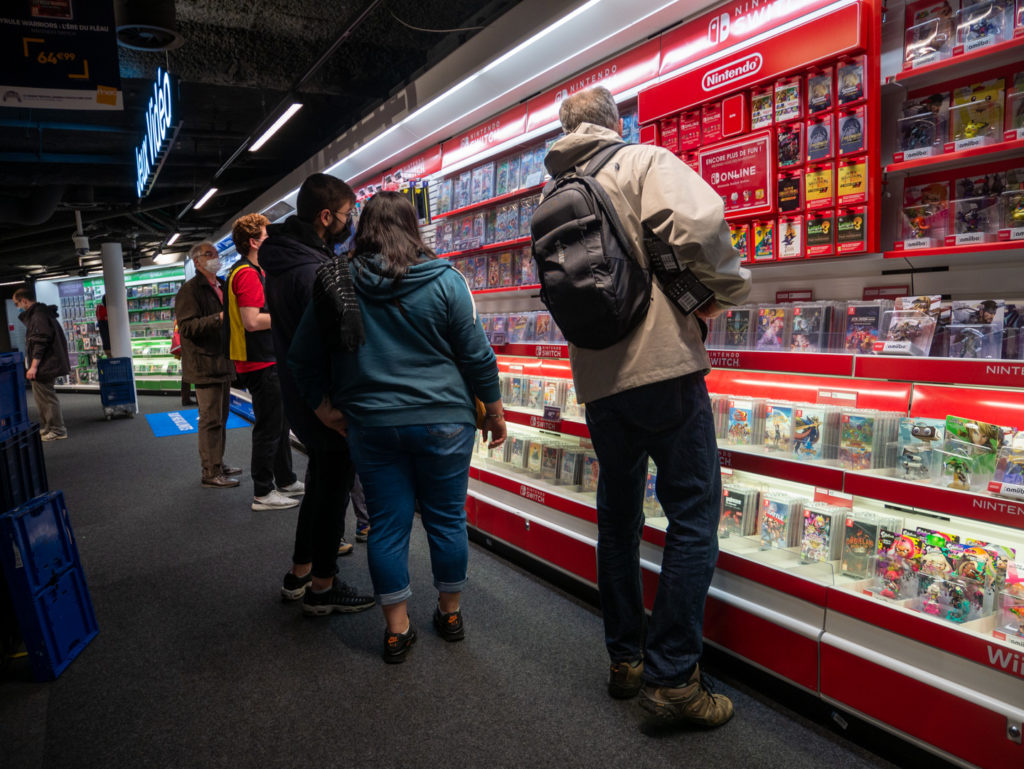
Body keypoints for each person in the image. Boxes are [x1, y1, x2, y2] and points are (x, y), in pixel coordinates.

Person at [544, 87, 751, 727]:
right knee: (692, 514)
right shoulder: (640, 161)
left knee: (618, 516)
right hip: (662, 366)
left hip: (598, 381)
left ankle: (626, 662)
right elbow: (698, 225)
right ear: (614, 123)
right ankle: (674, 680)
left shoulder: (549, 197)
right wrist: (729, 290)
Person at [289, 191, 505, 663]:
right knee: (447, 521)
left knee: (387, 526)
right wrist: (493, 408)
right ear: (414, 228)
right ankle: (450, 615)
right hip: (445, 421)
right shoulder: (447, 279)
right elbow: (476, 354)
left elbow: (302, 357)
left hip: (371, 423)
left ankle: (396, 630)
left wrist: (323, 409)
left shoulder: (338, 282)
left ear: (363, 229)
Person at [259, 173, 374, 615]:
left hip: (305, 398)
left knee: (320, 489)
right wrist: (331, 403)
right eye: (347, 215)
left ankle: (300, 573)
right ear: (326, 217)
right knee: (331, 495)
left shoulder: (289, 259)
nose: (350, 223)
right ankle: (324, 588)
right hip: (325, 404)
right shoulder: (312, 271)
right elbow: (327, 345)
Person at [225, 213, 304, 511]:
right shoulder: (246, 273)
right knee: (270, 428)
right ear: (254, 242)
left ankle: (285, 479)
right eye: (267, 235)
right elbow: (252, 321)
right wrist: (288, 316)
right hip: (259, 361)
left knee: (279, 424)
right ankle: (262, 491)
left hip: (265, 358)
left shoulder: (254, 271)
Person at [174, 243, 242, 488]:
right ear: (197, 262)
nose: (215, 258)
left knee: (221, 418)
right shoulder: (190, 291)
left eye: (216, 254)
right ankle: (210, 471)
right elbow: (187, 327)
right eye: (209, 254)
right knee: (210, 419)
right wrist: (219, 318)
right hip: (204, 364)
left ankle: (218, 463)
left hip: (222, 361)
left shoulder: (221, 285)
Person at [13, 286, 70, 441]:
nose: (18, 307)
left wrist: (33, 366)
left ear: (24, 300)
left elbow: (40, 342)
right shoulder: (41, 314)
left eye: (17, 304)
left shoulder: (38, 316)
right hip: (46, 363)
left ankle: (58, 429)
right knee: (42, 398)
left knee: (47, 397)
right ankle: (50, 427)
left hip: (45, 364)